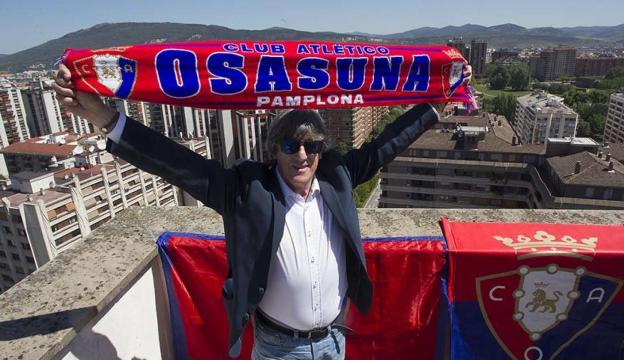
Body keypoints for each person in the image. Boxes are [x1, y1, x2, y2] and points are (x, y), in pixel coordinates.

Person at [53, 63, 471, 360]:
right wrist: (108, 120)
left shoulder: (338, 178)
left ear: (322, 151)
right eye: (290, 145)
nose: (302, 155)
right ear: (274, 151)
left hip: (334, 342)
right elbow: (177, 164)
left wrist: (437, 104)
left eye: (311, 146)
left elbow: (385, 145)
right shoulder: (246, 190)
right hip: (277, 349)